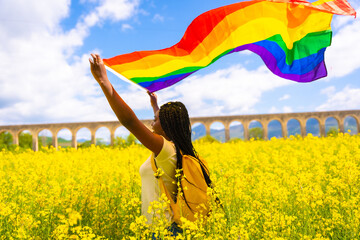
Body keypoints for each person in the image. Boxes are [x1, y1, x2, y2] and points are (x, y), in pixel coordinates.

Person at [89, 53, 203, 237]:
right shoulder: (175, 150)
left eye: (155, 120)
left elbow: (130, 122)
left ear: (166, 126)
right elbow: (161, 124)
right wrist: (155, 106)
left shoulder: (165, 150)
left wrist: (104, 81)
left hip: (164, 231)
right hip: (164, 229)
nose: (151, 124)